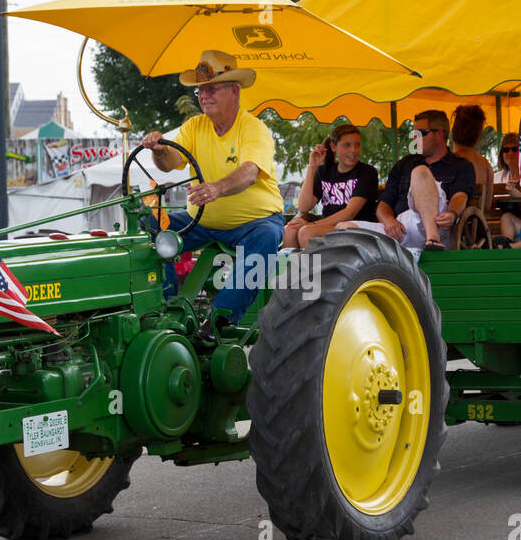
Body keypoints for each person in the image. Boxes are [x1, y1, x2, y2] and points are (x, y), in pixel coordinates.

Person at [140, 50, 285, 339]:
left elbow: (249, 172)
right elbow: (169, 163)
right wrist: (158, 150)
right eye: (200, 90)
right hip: (202, 223)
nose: (204, 96)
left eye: (211, 89)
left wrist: (216, 189)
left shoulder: (254, 129)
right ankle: (164, 311)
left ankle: (219, 321)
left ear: (234, 91)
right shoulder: (195, 127)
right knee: (151, 222)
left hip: (253, 223)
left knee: (267, 237)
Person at [338, 109, 474, 251]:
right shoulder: (404, 164)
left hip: (439, 225)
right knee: (343, 228)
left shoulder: (461, 166)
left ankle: (432, 240)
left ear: (439, 134)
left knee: (420, 173)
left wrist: (452, 213)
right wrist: (388, 221)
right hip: (402, 228)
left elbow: (460, 196)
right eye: (413, 134)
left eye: (420, 133)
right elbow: (384, 203)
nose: (414, 138)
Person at [284, 123, 379, 249]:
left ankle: (315, 269)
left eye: (357, 145)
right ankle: (297, 269)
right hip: (326, 225)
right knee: (289, 230)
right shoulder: (324, 171)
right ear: (333, 147)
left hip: (353, 227)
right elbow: (303, 207)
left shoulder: (367, 172)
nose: (353, 150)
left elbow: (349, 213)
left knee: (306, 232)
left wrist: (312, 224)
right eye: (347, 145)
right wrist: (313, 167)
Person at [451, 104, 493, 210]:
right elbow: (487, 206)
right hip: (479, 223)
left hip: (453, 223)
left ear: (454, 129)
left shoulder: (451, 161)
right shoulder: (486, 165)